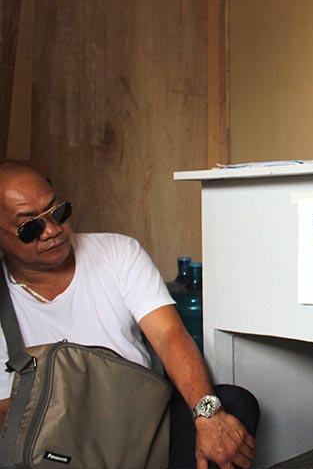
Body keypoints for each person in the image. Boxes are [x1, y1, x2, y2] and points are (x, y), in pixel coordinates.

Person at [0, 161, 259, 469]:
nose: (53, 231)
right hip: (64, 443)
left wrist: (207, 414)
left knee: (232, 406)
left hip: (145, 422)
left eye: (57, 212)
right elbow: (9, 415)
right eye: (30, 227)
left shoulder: (117, 252)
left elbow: (169, 336)